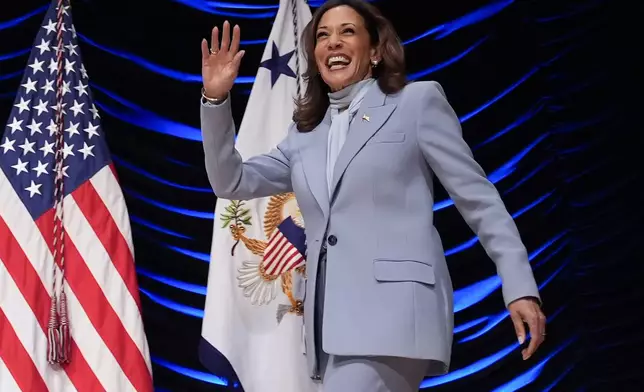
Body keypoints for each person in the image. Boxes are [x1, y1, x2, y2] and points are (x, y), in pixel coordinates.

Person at [199, 0, 546, 390]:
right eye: (323, 36)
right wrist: (216, 101)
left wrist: (518, 286)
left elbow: (479, 200)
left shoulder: (416, 103)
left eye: (347, 32)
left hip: (394, 316)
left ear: (377, 50)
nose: (333, 43)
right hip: (329, 330)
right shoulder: (304, 136)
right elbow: (231, 182)